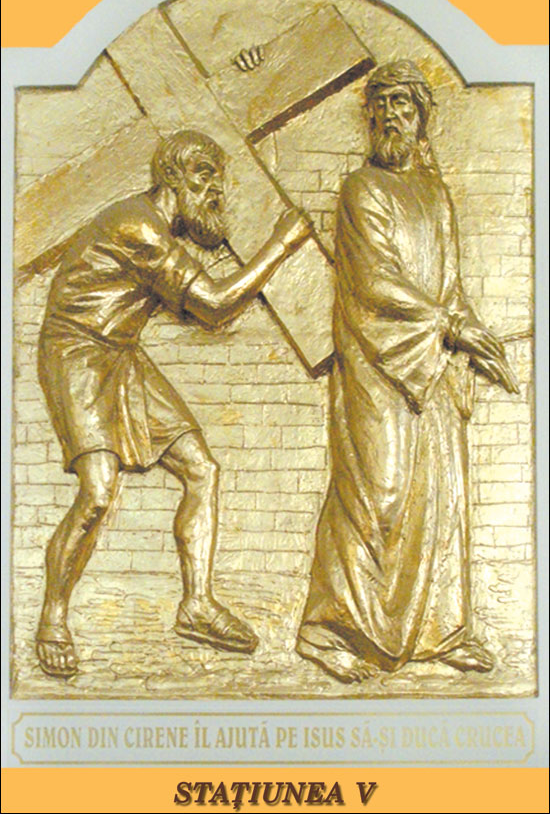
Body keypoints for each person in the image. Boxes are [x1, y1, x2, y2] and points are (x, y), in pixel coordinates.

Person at [36, 128, 311, 677]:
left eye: (218, 180)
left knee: (201, 468)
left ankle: (197, 605)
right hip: (76, 351)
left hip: (120, 352)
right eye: (204, 177)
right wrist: (282, 244)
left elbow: (192, 308)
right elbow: (214, 304)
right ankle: (52, 618)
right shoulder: (138, 226)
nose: (215, 192)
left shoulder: (156, 231)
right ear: (172, 177)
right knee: (97, 493)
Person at [296, 60, 518, 684]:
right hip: (378, 363)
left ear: (422, 118)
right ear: (369, 117)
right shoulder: (361, 189)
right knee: (378, 494)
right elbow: (373, 281)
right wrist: (448, 325)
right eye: (383, 105)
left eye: (405, 105)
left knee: (440, 494)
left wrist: (473, 337)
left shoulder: (436, 195)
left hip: (434, 363)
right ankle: (327, 630)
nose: (393, 116)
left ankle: (440, 631)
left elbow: (449, 283)